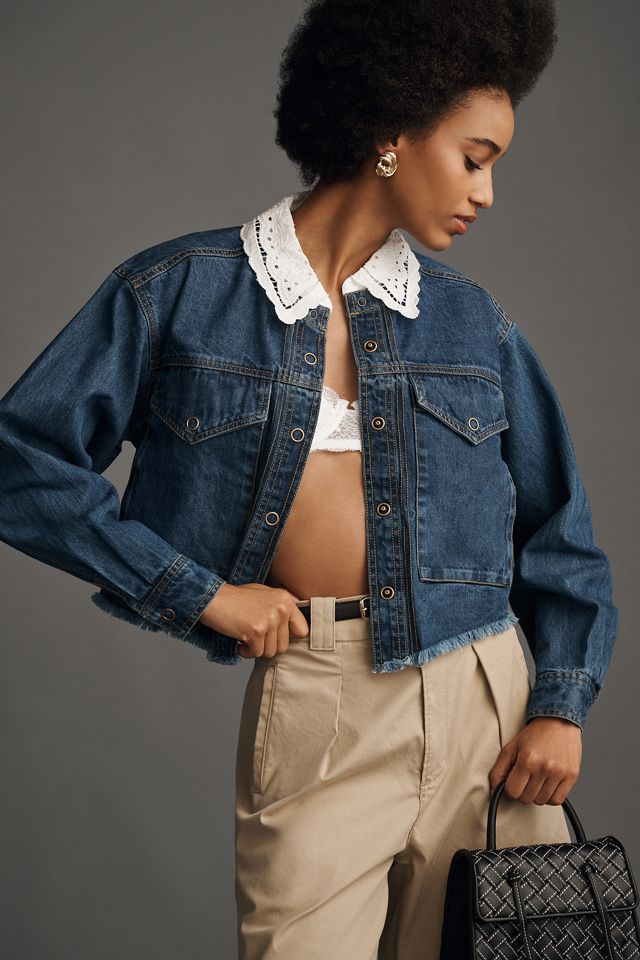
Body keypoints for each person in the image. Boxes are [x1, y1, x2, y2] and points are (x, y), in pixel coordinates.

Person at [0, 0, 619, 957]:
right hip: (320, 701)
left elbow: (560, 532)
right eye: (475, 157)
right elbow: (20, 461)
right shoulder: (178, 292)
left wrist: (559, 705)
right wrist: (200, 595)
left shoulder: (473, 324)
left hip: (487, 707)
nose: (487, 192)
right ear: (391, 133)